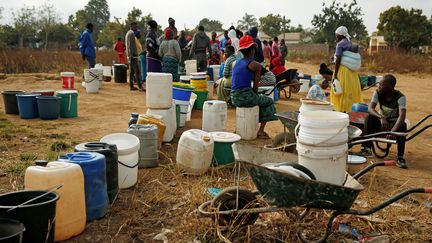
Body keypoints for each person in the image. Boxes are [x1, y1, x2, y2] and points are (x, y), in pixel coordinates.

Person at [230, 35, 277, 139]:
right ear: (252, 50)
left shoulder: (236, 63)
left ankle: (241, 127)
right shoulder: (256, 65)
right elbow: (255, 89)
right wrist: (256, 96)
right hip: (246, 96)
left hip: (233, 97)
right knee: (268, 101)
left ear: (241, 51)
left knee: (258, 100)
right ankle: (260, 130)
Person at [359, 75, 408, 168]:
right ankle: (366, 149)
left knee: (403, 126)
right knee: (369, 117)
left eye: (382, 85)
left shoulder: (401, 97)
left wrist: (393, 131)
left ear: (390, 86)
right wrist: (381, 117)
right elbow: (370, 108)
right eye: (379, 84)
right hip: (383, 122)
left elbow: (402, 116)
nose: (379, 86)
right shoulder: (377, 93)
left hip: (394, 123)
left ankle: (400, 157)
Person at [330, 26, 362, 112]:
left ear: (341, 35)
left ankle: (341, 110)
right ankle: (350, 109)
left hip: (343, 71)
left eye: (337, 36)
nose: (336, 38)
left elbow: (339, 59)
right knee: (350, 90)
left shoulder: (339, 44)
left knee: (341, 90)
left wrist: (335, 75)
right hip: (352, 72)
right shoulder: (349, 42)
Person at [125, 22, 142, 91]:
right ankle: (140, 87)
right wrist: (131, 56)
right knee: (137, 71)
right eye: (135, 26)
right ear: (131, 26)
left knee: (131, 72)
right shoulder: (131, 34)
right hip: (133, 56)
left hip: (131, 55)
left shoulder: (128, 33)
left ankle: (131, 86)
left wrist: (129, 56)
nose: (136, 27)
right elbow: (130, 46)